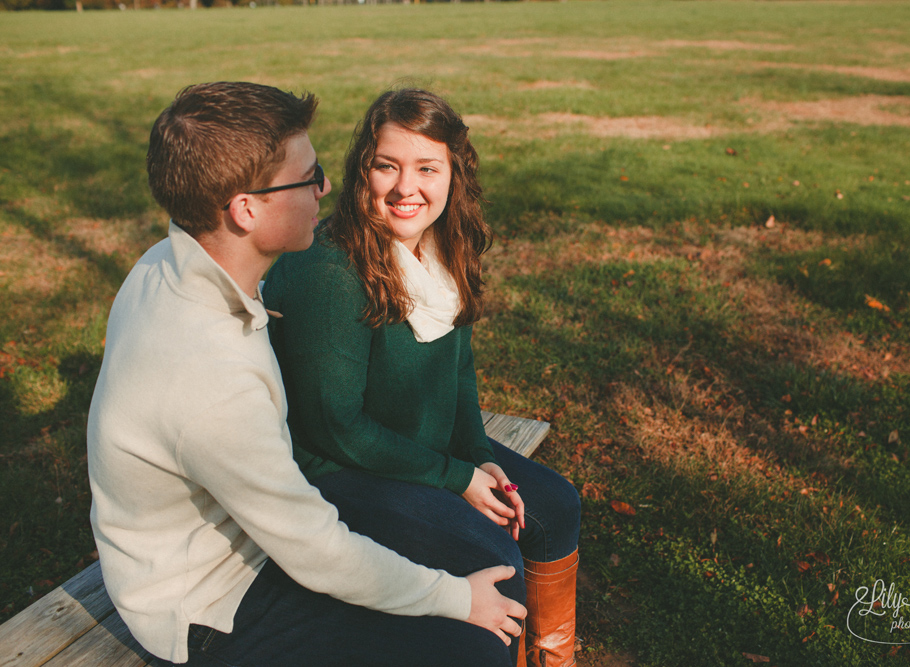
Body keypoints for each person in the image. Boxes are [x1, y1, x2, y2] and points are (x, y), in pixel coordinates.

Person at [86, 81, 526, 667]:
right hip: (212, 601)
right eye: (308, 176)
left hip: (259, 534)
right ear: (246, 209)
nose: (326, 187)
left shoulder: (166, 258)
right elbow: (315, 550)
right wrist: (453, 598)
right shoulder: (210, 380)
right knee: (470, 645)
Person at [263, 88, 581, 667]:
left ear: (454, 175)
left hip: (423, 455)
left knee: (555, 506)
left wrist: (478, 457)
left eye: (427, 168)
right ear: (365, 170)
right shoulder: (329, 271)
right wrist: (454, 478)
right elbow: (332, 425)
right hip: (340, 475)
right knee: (492, 556)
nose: (407, 188)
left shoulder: (442, 245)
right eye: (388, 166)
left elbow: (457, 370)